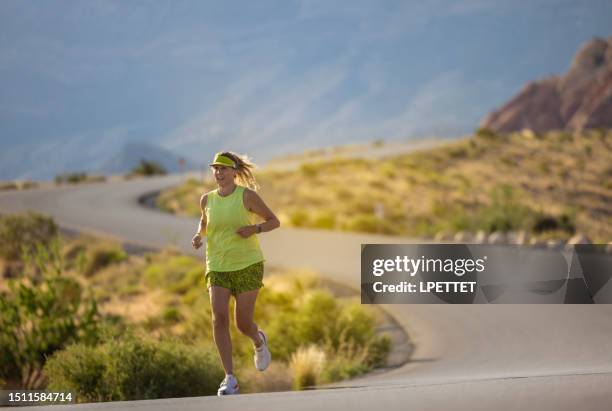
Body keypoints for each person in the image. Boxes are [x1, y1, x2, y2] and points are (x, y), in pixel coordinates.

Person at [191, 151, 280, 396]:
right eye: (215, 169)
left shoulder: (247, 196)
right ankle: (230, 378)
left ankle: (258, 341)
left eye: (223, 169)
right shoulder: (207, 199)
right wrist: (199, 235)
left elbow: (274, 221)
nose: (218, 173)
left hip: (248, 264)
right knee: (219, 319)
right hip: (217, 265)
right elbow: (204, 222)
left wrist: (254, 228)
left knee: (242, 323)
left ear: (233, 172)